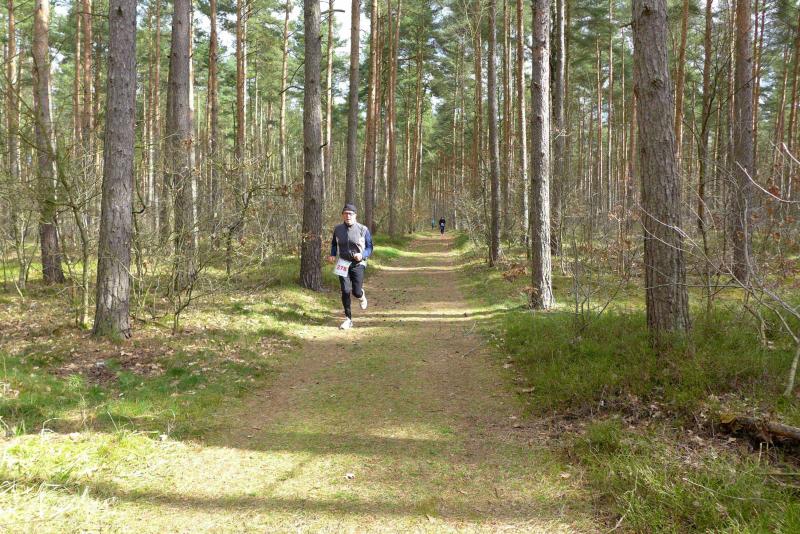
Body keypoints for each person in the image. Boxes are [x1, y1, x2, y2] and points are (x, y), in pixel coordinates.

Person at [327, 204, 373, 330]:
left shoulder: (363, 229)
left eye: (350, 214)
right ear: (342, 215)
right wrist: (332, 254)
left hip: (358, 263)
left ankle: (361, 295)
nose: (348, 216)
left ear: (355, 215)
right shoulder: (338, 229)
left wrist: (362, 255)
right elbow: (334, 244)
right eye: (345, 213)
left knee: (356, 291)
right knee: (345, 290)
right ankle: (348, 319)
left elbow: (370, 247)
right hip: (343, 263)